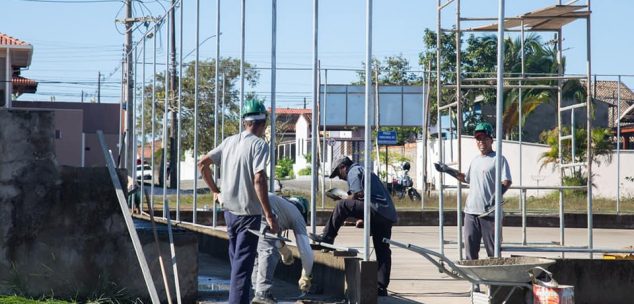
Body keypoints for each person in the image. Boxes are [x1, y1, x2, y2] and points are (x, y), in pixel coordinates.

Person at [198, 99, 279, 304]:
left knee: (237, 265)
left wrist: (215, 191)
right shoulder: (259, 145)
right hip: (248, 216)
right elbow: (259, 179)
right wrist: (269, 214)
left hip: (229, 213)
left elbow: (202, 164)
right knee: (242, 269)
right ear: (262, 123)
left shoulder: (229, 141)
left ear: (244, 122)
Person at [312, 156, 397, 297]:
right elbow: (364, 199)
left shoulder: (354, 171)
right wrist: (361, 217)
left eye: (339, 174)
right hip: (386, 214)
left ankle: (327, 238)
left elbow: (357, 195)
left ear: (343, 167)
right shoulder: (363, 170)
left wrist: (341, 198)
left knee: (342, 205)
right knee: (383, 251)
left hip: (376, 209)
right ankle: (380, 287)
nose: (340, 178)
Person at [455, 122, 512, 260]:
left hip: (490, 214)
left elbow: (507, 181)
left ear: (491, 140)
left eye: (484, 138)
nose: (481, 142)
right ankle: (474, 281)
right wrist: (449, 171)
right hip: (471, 212)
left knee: (493, 253)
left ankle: (494, 280)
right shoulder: (475, 160)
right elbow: (466, 178)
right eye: (478, 139)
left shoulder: (498, 159)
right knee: (470, 251)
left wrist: (496, 196)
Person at [251, 193, 314, 304]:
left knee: (256, 254)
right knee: (268, 253)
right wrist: (306, 275)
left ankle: (255, 290)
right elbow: (305, 249)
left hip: (246, 208)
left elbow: (275, 239)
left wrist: (285, 252)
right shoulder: (297, 215)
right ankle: (262, 293)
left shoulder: (281, 205)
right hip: (264, 211)